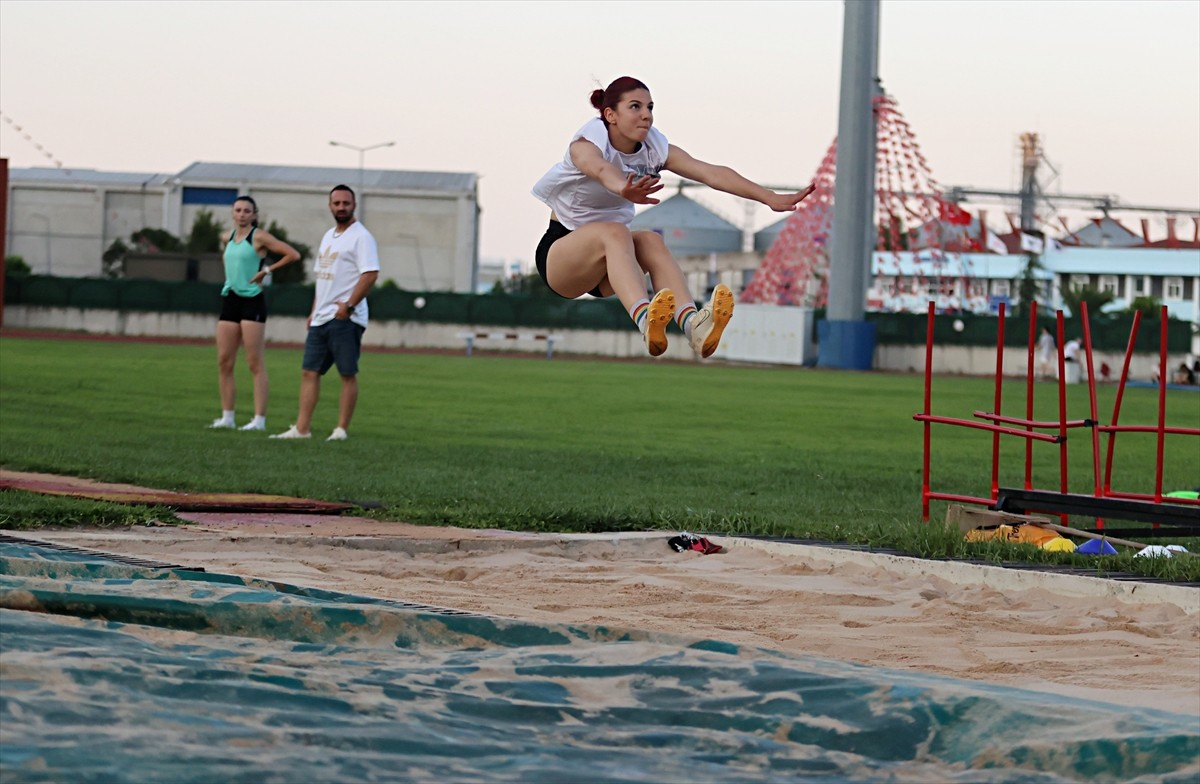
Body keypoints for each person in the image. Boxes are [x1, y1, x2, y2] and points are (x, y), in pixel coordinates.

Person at [531, 76, 815, 358]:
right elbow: (601, 170)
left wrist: (769, 197)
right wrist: (623, 188)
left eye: (650, 107)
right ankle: (646, 319)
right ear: (610, 115)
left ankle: (693, 324)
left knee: (650, 240)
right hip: (561, 256)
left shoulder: (655, 148)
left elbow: (711, 173)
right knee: (614, 231)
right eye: (635, 107)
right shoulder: (586, 143)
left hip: (610, 265)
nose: (646, 115)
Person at [271, 186, 379, 441]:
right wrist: (313, 311)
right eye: (337, 203)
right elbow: (322, 278)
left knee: (347, 374)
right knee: (309, 372)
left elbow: (370, 274)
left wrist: (349, 306)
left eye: (346, 203)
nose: (341, 207)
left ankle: (340, 430)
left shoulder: (361, 237)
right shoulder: (329, 236)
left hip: (346, 318)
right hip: (321, 317)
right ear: (330, 205)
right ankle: (302, 429)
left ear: (354, 205)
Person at [209, 195, 301, 431]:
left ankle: (259, 420)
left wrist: (266, 270)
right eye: (238, 210)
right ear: (232, 213)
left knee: (254, 362)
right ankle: (227, 417)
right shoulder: (226, 237)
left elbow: (292, 254)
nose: (242, 214)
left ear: (254, 214)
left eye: (247, 211)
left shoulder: (258, 236)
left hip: (252, 301)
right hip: (230, 299)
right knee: (224, 361)